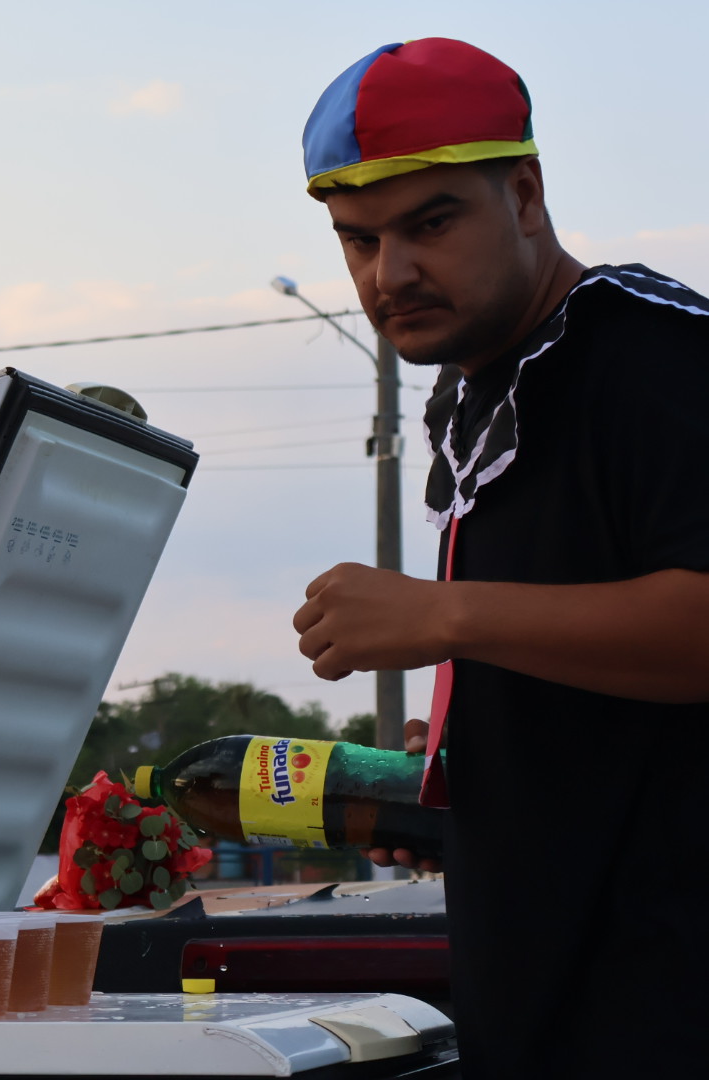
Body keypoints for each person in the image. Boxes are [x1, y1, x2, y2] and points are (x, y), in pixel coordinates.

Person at [289, 38, 709, 1077]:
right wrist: (448, 790)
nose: (392, 273)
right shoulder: (476, 386)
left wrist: (444, 615)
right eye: (359, 240)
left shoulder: (658, 356)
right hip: (548, 1008)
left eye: (431, 223)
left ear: (524, 194)